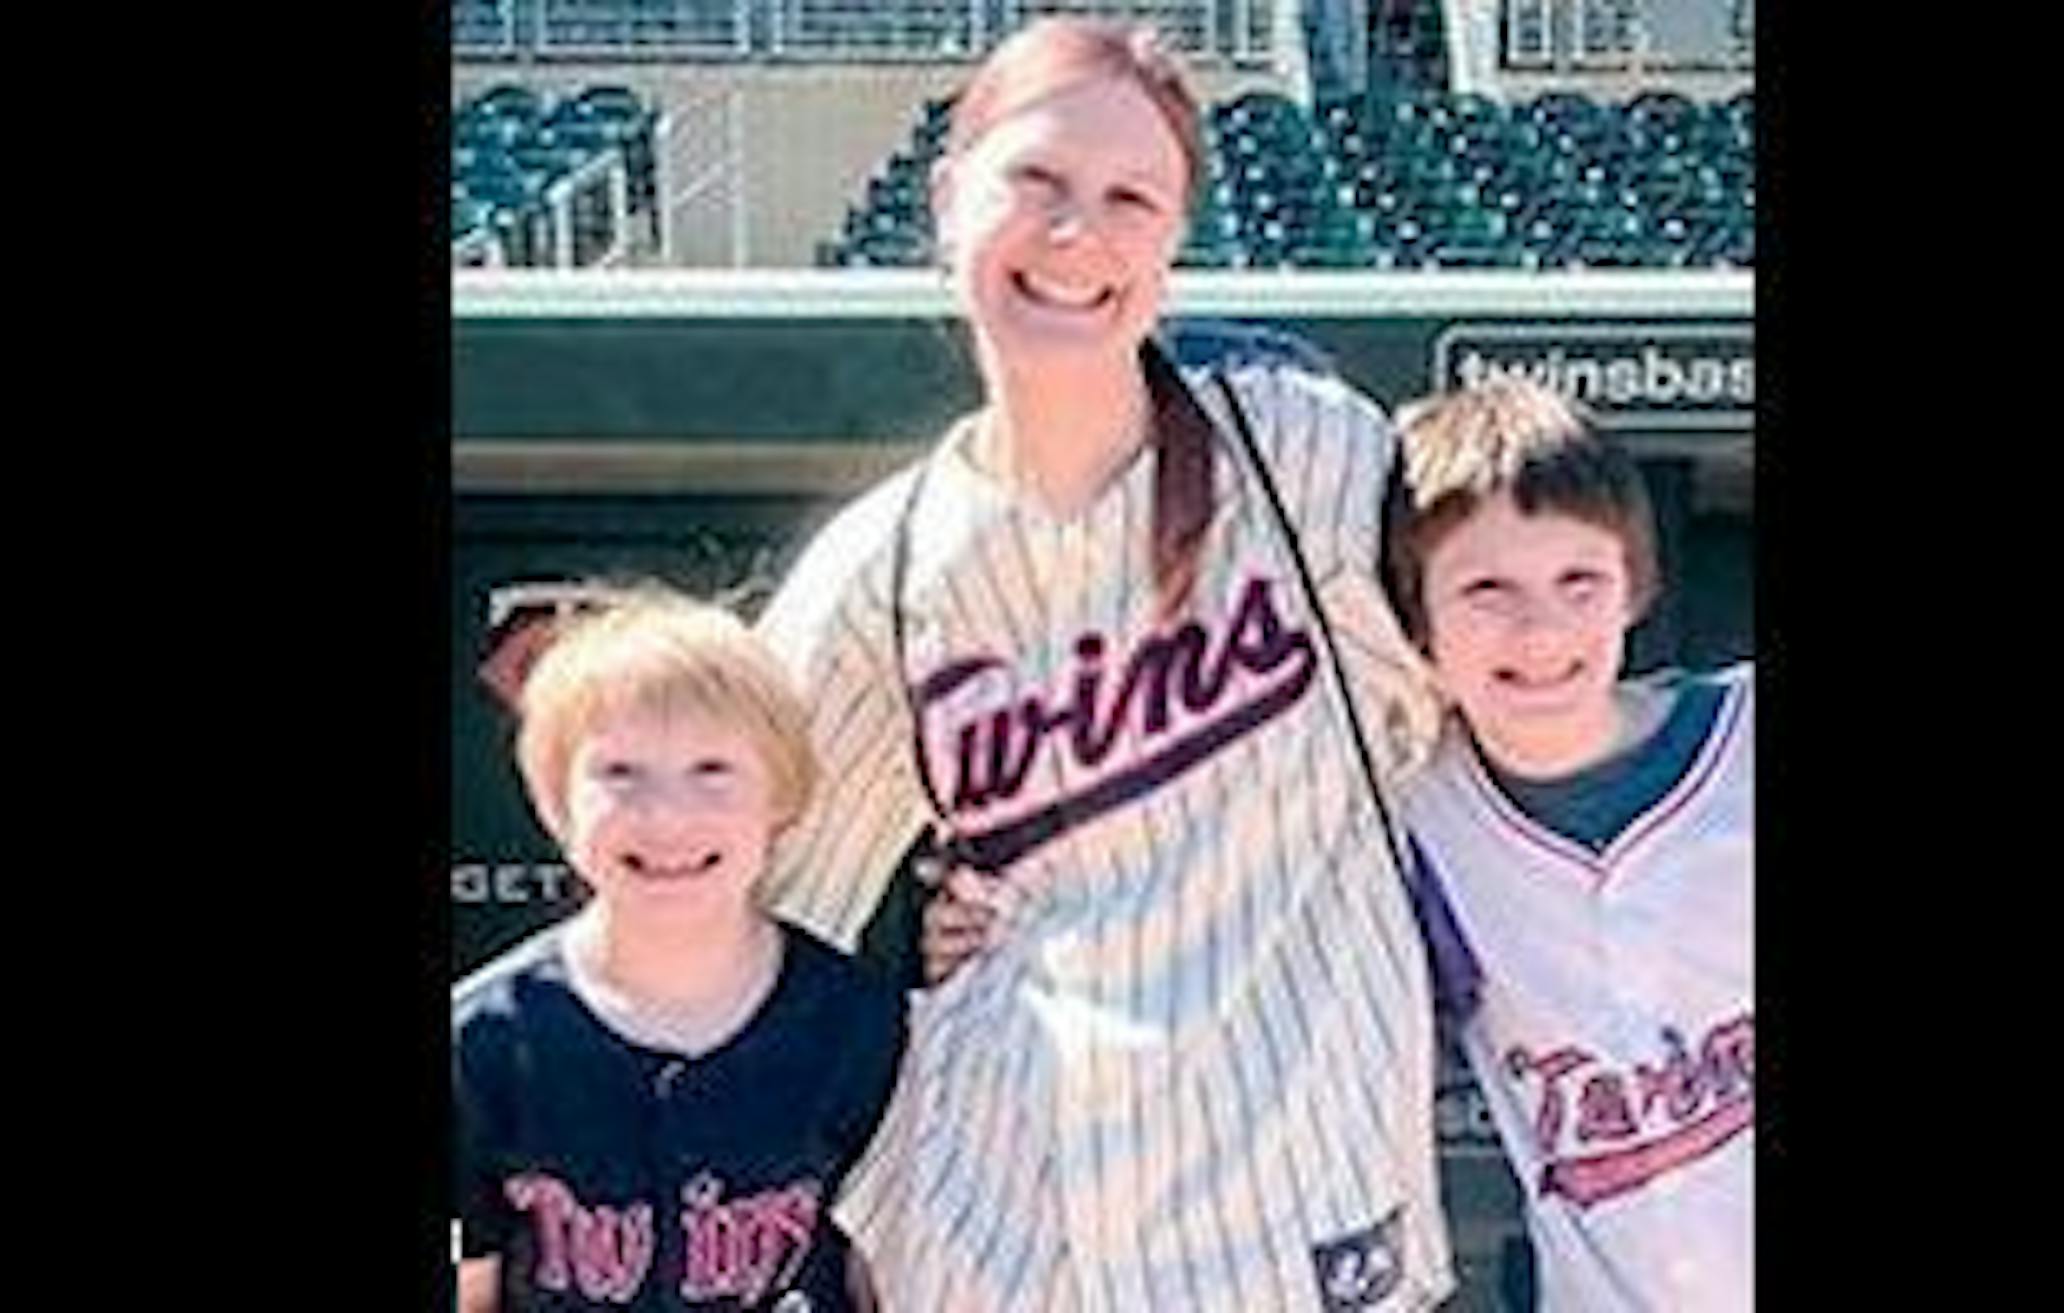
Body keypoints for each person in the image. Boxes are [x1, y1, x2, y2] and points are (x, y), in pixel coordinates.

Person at [753, 17, 1458, 1312]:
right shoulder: (882, 571)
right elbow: (755, 902)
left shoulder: (1306, 457)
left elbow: (1494, 703)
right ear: (949, 198)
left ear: (1176, 244)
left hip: (1298, 1201)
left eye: (1132, 196)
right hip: (1003, 1221)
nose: (1079, 231)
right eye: (1038, 181)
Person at [1383, 377, 1754, 1311]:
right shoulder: (1413, 805)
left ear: (1635, 585)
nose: (1540, 626)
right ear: (1416, 619)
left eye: (1577, 580)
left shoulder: (1741, 737)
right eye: (1486, 589)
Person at [452, 586, 907, 1312]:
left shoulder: (863, 1026)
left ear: (782, 800)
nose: (668, 816)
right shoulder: (480, 1041)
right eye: (620, 773)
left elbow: (884, 1280)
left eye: (713, 770)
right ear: (556, 804)